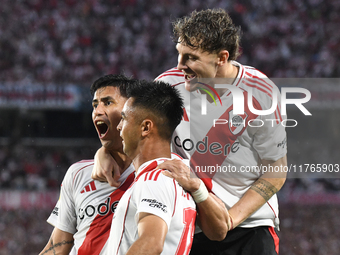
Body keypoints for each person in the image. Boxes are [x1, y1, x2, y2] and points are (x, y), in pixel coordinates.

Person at [93, 8, 287, 255]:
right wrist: (105, 150)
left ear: (222, 57)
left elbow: (276, 170)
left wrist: (231, 218)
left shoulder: (261, 93)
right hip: (192, 226)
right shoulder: (168, 84)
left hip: (250, 230)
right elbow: (137, 127)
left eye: (190, 57)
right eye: (179, 54)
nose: (180, 65)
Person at [39, 74, 136, 255]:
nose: (98, 111)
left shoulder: (156, 171)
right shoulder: (78, 173)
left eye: (107, 103)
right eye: (94, 105)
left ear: (132, 108)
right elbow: (58, 247)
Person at [105, 80, 196, 255]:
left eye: (123, 118)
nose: (118, 127)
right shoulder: (185, 175)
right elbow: (220, 230)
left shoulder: (155, 179)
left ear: (146, 127)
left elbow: (151, 244)